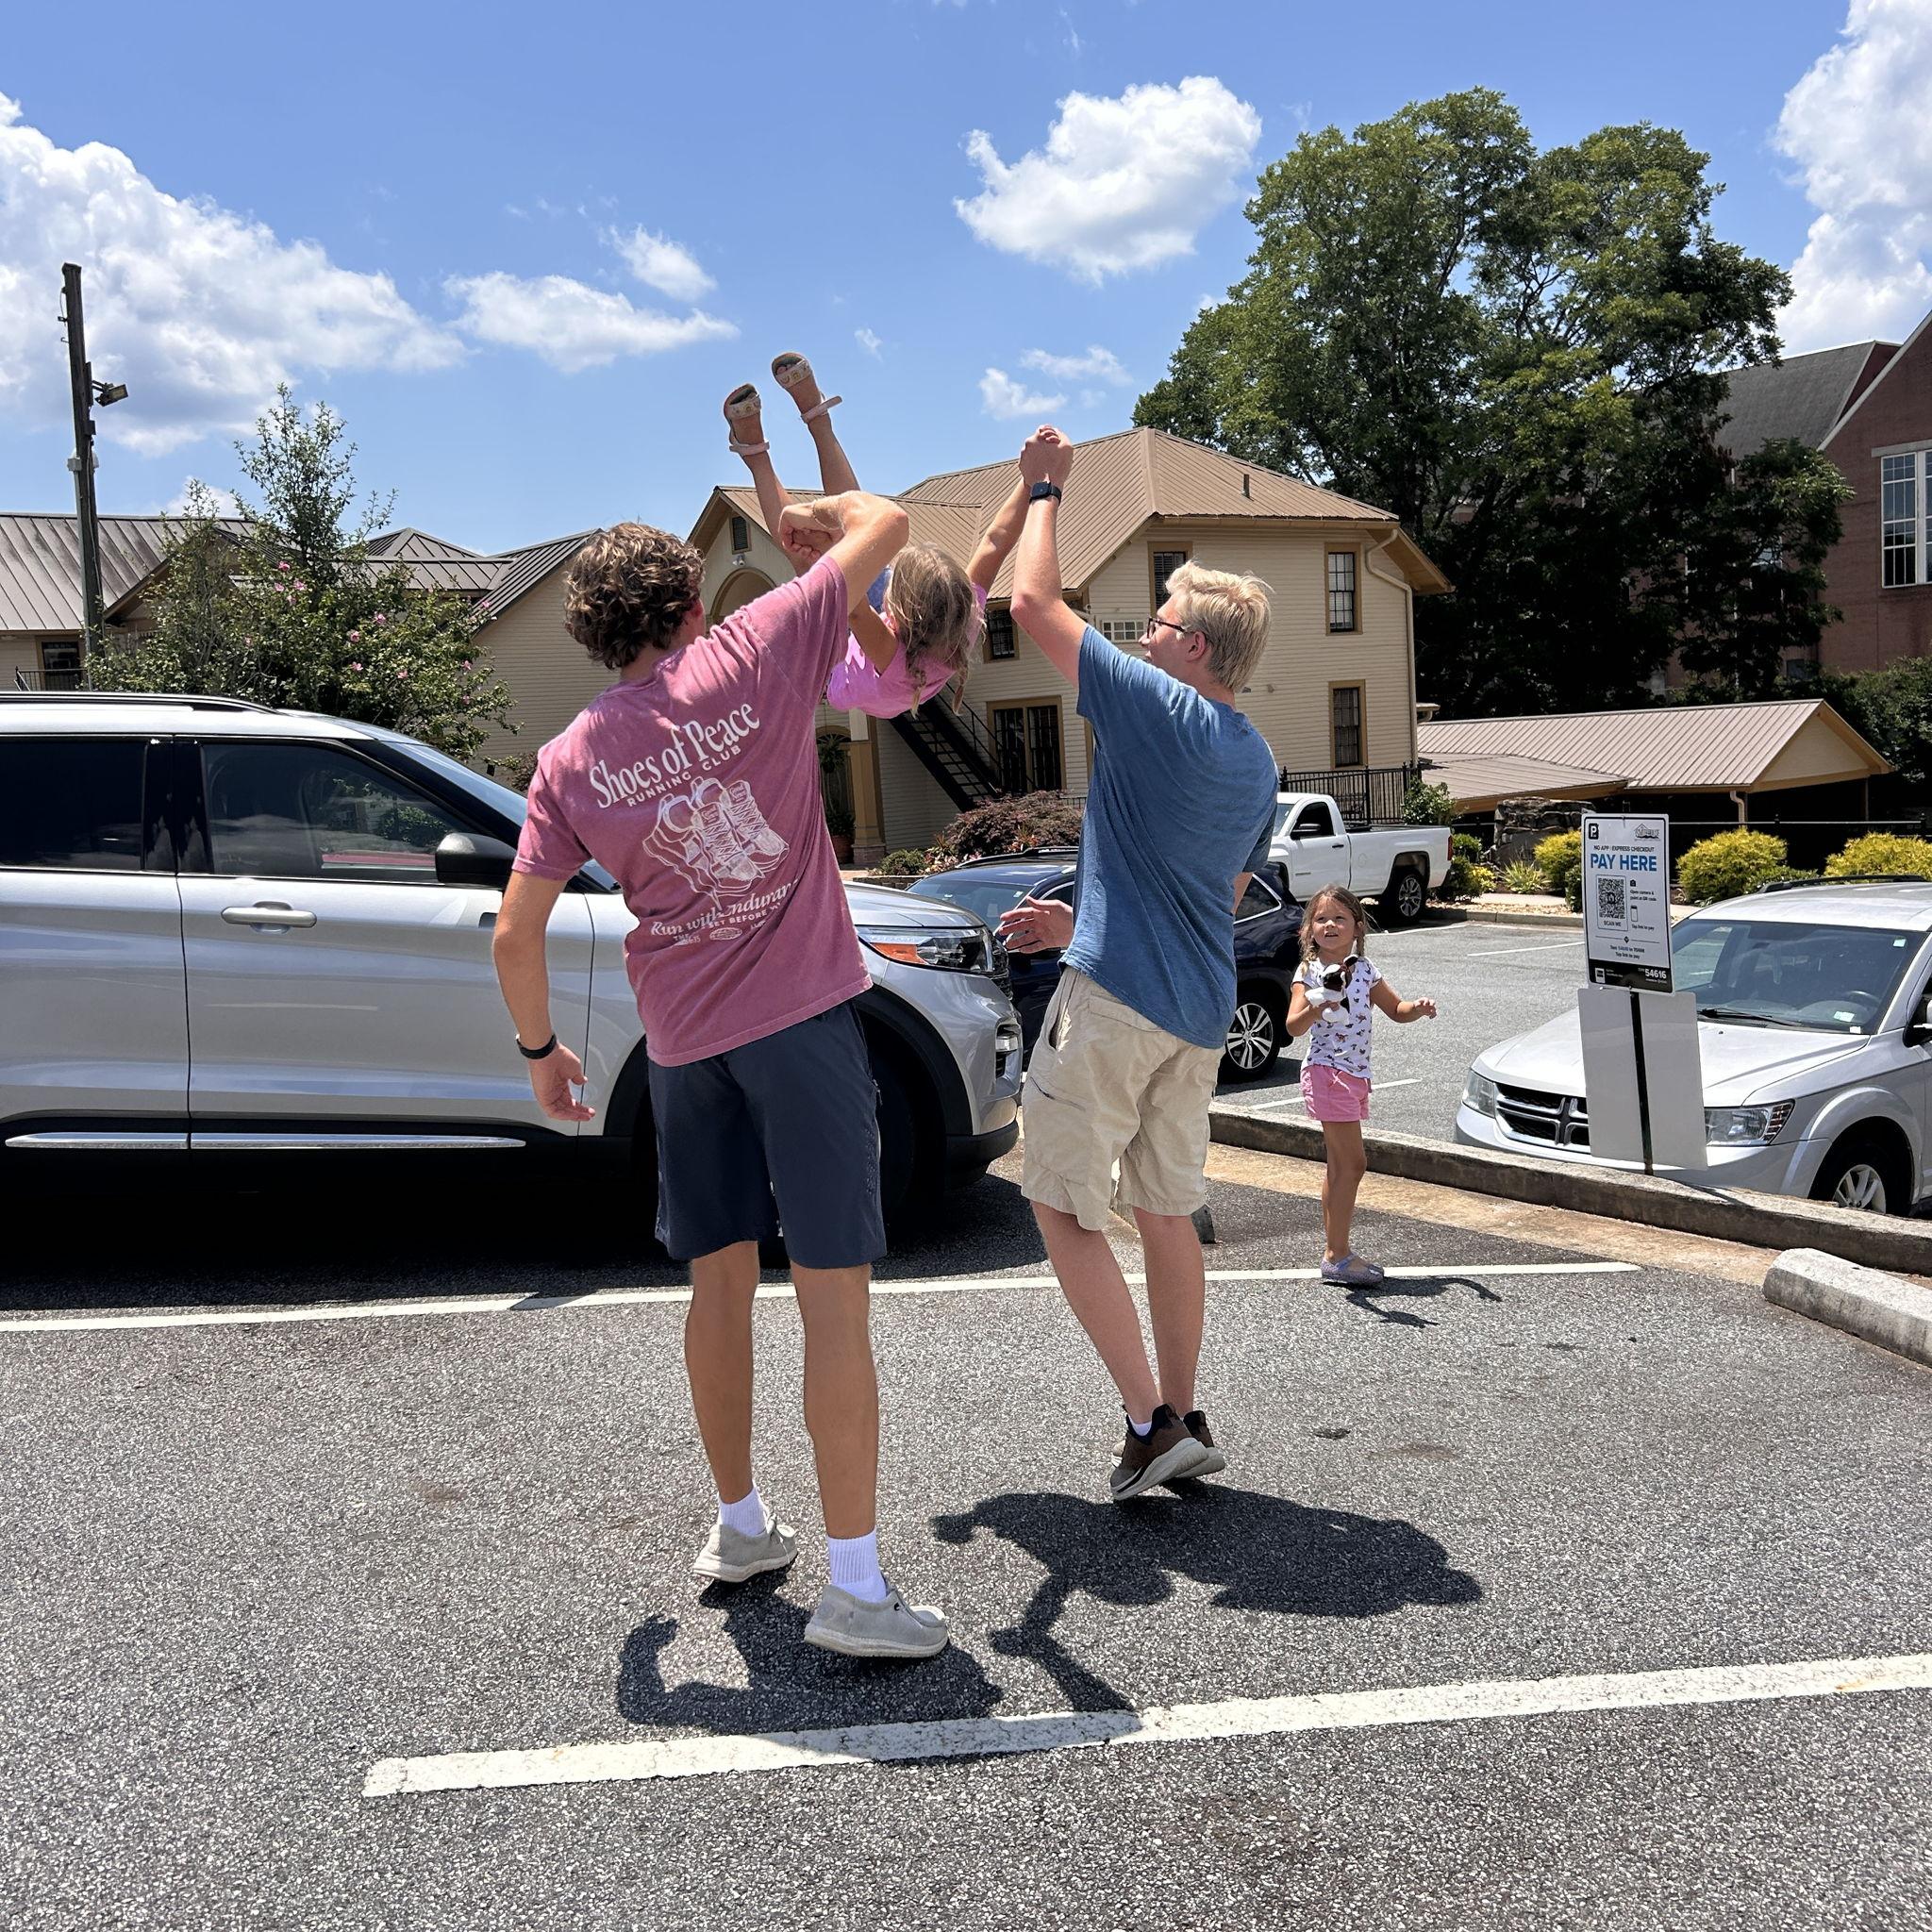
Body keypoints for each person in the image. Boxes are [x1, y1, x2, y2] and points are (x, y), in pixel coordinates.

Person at [490, 496, 952, 1660]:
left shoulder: (570, 755)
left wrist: (544, 1056)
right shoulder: (759, 645)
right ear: (694, 605)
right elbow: (891, 526)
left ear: (590, 635)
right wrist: (815, 522)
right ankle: (853, 1585)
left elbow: (514, 933)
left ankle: (740, 1525)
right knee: (833, 1291)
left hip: (683, 1046)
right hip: (798, 1023)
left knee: (719, 1283)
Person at [996, 425, 1279, 1502]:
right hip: (1193, 1010)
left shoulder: (1156, 704)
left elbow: (1029, 607)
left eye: (1157, 625)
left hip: (1113, 1007)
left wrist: (1043, 488)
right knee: (1164, 1213)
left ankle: (1147, 1423)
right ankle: (1185, 1408)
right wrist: (1079, 923)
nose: (1143, 637)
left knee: (1061, 1206)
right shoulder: (1255, 760)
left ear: (1195, 648)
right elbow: (1207, 893)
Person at [724, 352, 1030, 716]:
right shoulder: (954, 620)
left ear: (899, 607)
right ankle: (790, 434)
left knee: (831, 546)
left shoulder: (914, 642)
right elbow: (995, 542)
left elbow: (854, 609)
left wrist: (1034, 479)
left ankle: (785, 437)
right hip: (868, 644)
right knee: (833, 543)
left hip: (854, 655)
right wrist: (1036, 479)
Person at [1284, 884, 1438, 1287]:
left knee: (1339, 1167)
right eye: (1321, 919)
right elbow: (1293, 1026)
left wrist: (1417, 1009)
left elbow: (1396, 1010)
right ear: (1309, 930)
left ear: (1357, 927)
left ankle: (1335, 1252)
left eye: (1340, 918)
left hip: (1353, 1076)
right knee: (1353, 1164)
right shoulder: (1308, 973)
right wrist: (1318, 1005)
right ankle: (1337, 1256)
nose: (1330, 925)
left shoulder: (1366, 971)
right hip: (1327, 1072)